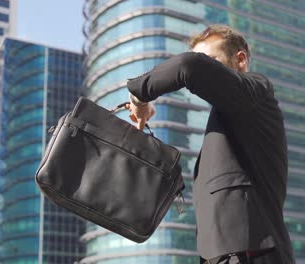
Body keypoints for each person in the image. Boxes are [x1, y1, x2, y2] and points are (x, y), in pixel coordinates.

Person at [126, 24, 295, 264]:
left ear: (241, 60)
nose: (207, 68)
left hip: (251, 254)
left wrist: (138, 95)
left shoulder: (257, 91)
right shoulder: (227, 121)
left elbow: (189, 66)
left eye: (212, 61)